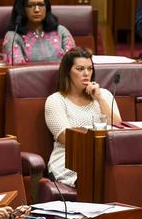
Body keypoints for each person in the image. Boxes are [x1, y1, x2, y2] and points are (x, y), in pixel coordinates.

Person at [44, 48, 121, 187]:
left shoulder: (104, 95)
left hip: (103, 157)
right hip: (68, 160)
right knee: (102, 177)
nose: (86, 74)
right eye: (79, 69)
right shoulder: (55, 100)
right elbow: (66, 137)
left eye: (90, 69)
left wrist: (99, 99)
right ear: (68, 72)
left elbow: (118, 128)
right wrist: (97, 138)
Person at [2, 0, 76, 64]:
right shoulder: (13, 37)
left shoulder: (61, 31)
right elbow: (17, 71)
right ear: (21, 9)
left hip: (61, 76)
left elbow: (73, 64)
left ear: (46, 7)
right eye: (30, 6)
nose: (37, 10)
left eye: (41, 5)